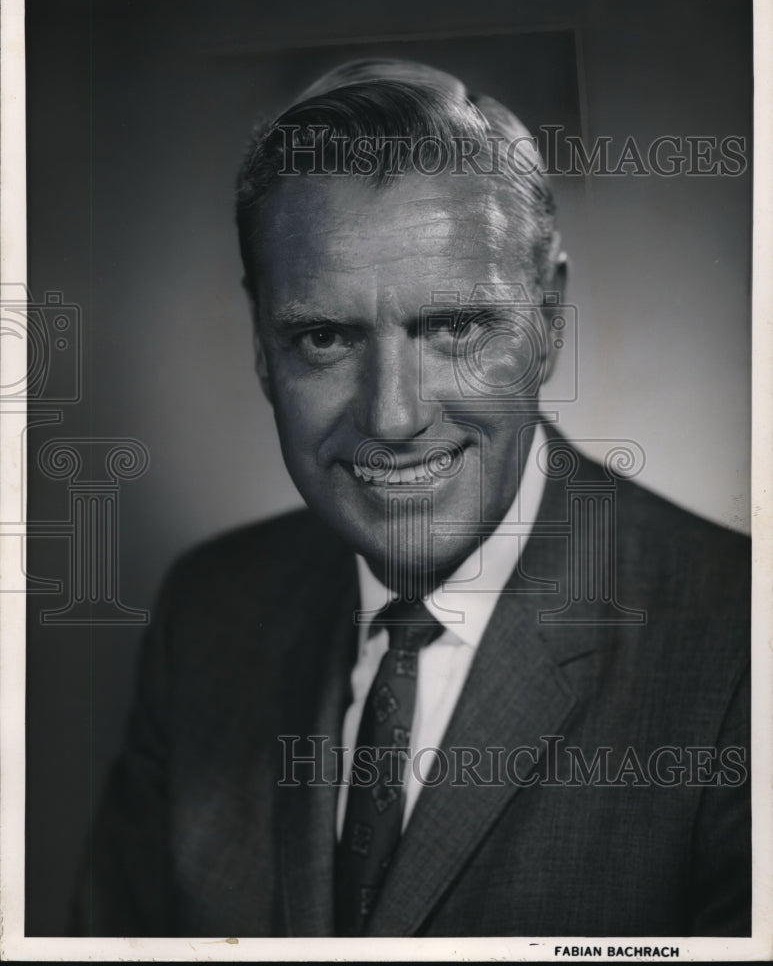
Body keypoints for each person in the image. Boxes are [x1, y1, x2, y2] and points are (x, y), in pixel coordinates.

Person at [72, 59, 750, 938]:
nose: (391, 417)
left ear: (548, 318)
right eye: (323, 337)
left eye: (454, 328)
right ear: (260, 346)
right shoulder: (208, 610)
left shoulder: (740, 646)